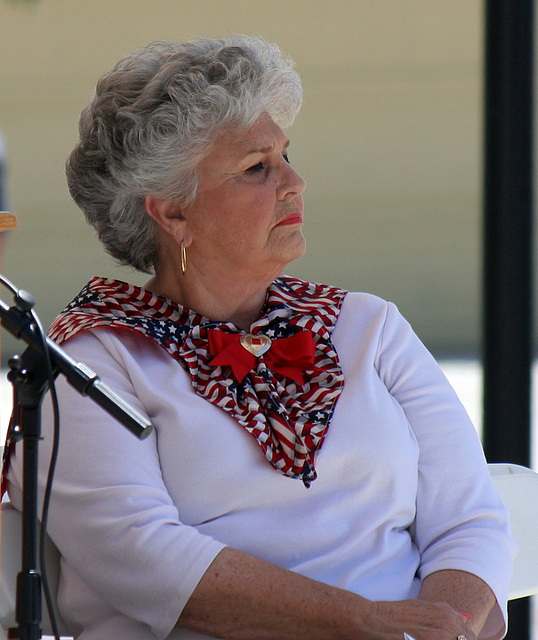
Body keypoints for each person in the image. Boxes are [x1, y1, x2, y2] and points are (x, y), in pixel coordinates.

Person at [5, 36, 515, 640]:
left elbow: (468, 521)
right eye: (257, 168)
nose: (295, 182)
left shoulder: (368, 326)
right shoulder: (92, 360)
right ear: (171, 213)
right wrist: (365, 622)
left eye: (286, 156)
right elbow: (140, 555)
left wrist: (447, 629)